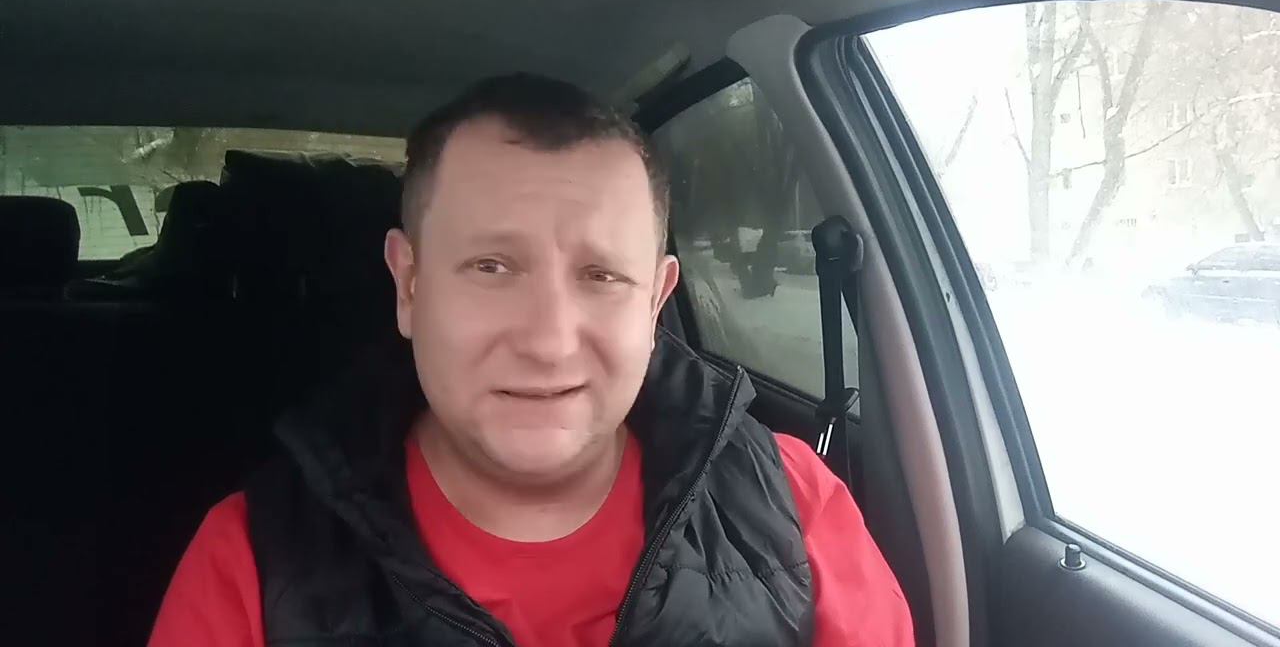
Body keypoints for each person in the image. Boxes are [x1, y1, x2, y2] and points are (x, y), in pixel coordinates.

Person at [149, 74, 914, 647]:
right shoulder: (254, 558)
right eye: (491, 267)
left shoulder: (789, 503)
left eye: (602, 276)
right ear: (409, 286)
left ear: (655, 301)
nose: (548, 341)